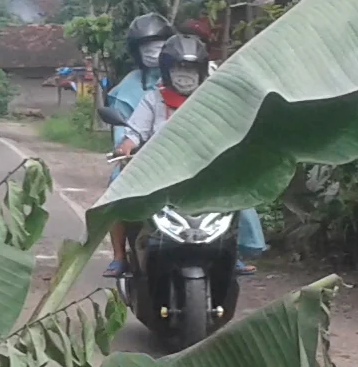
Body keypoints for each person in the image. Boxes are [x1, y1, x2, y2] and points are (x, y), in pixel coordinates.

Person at [111, 34, 267, 274]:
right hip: (158, 173)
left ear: (201, 70)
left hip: (205, 170)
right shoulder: (153, 100)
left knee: (238, 197)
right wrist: (125, 148)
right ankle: (120, 256)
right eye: (178, 67)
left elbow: (231, 130)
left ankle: (234, 252)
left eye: (191, 68)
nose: (185, 74)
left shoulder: (211, 100)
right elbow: (134, 133)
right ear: (166, 70)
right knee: (117, 195)